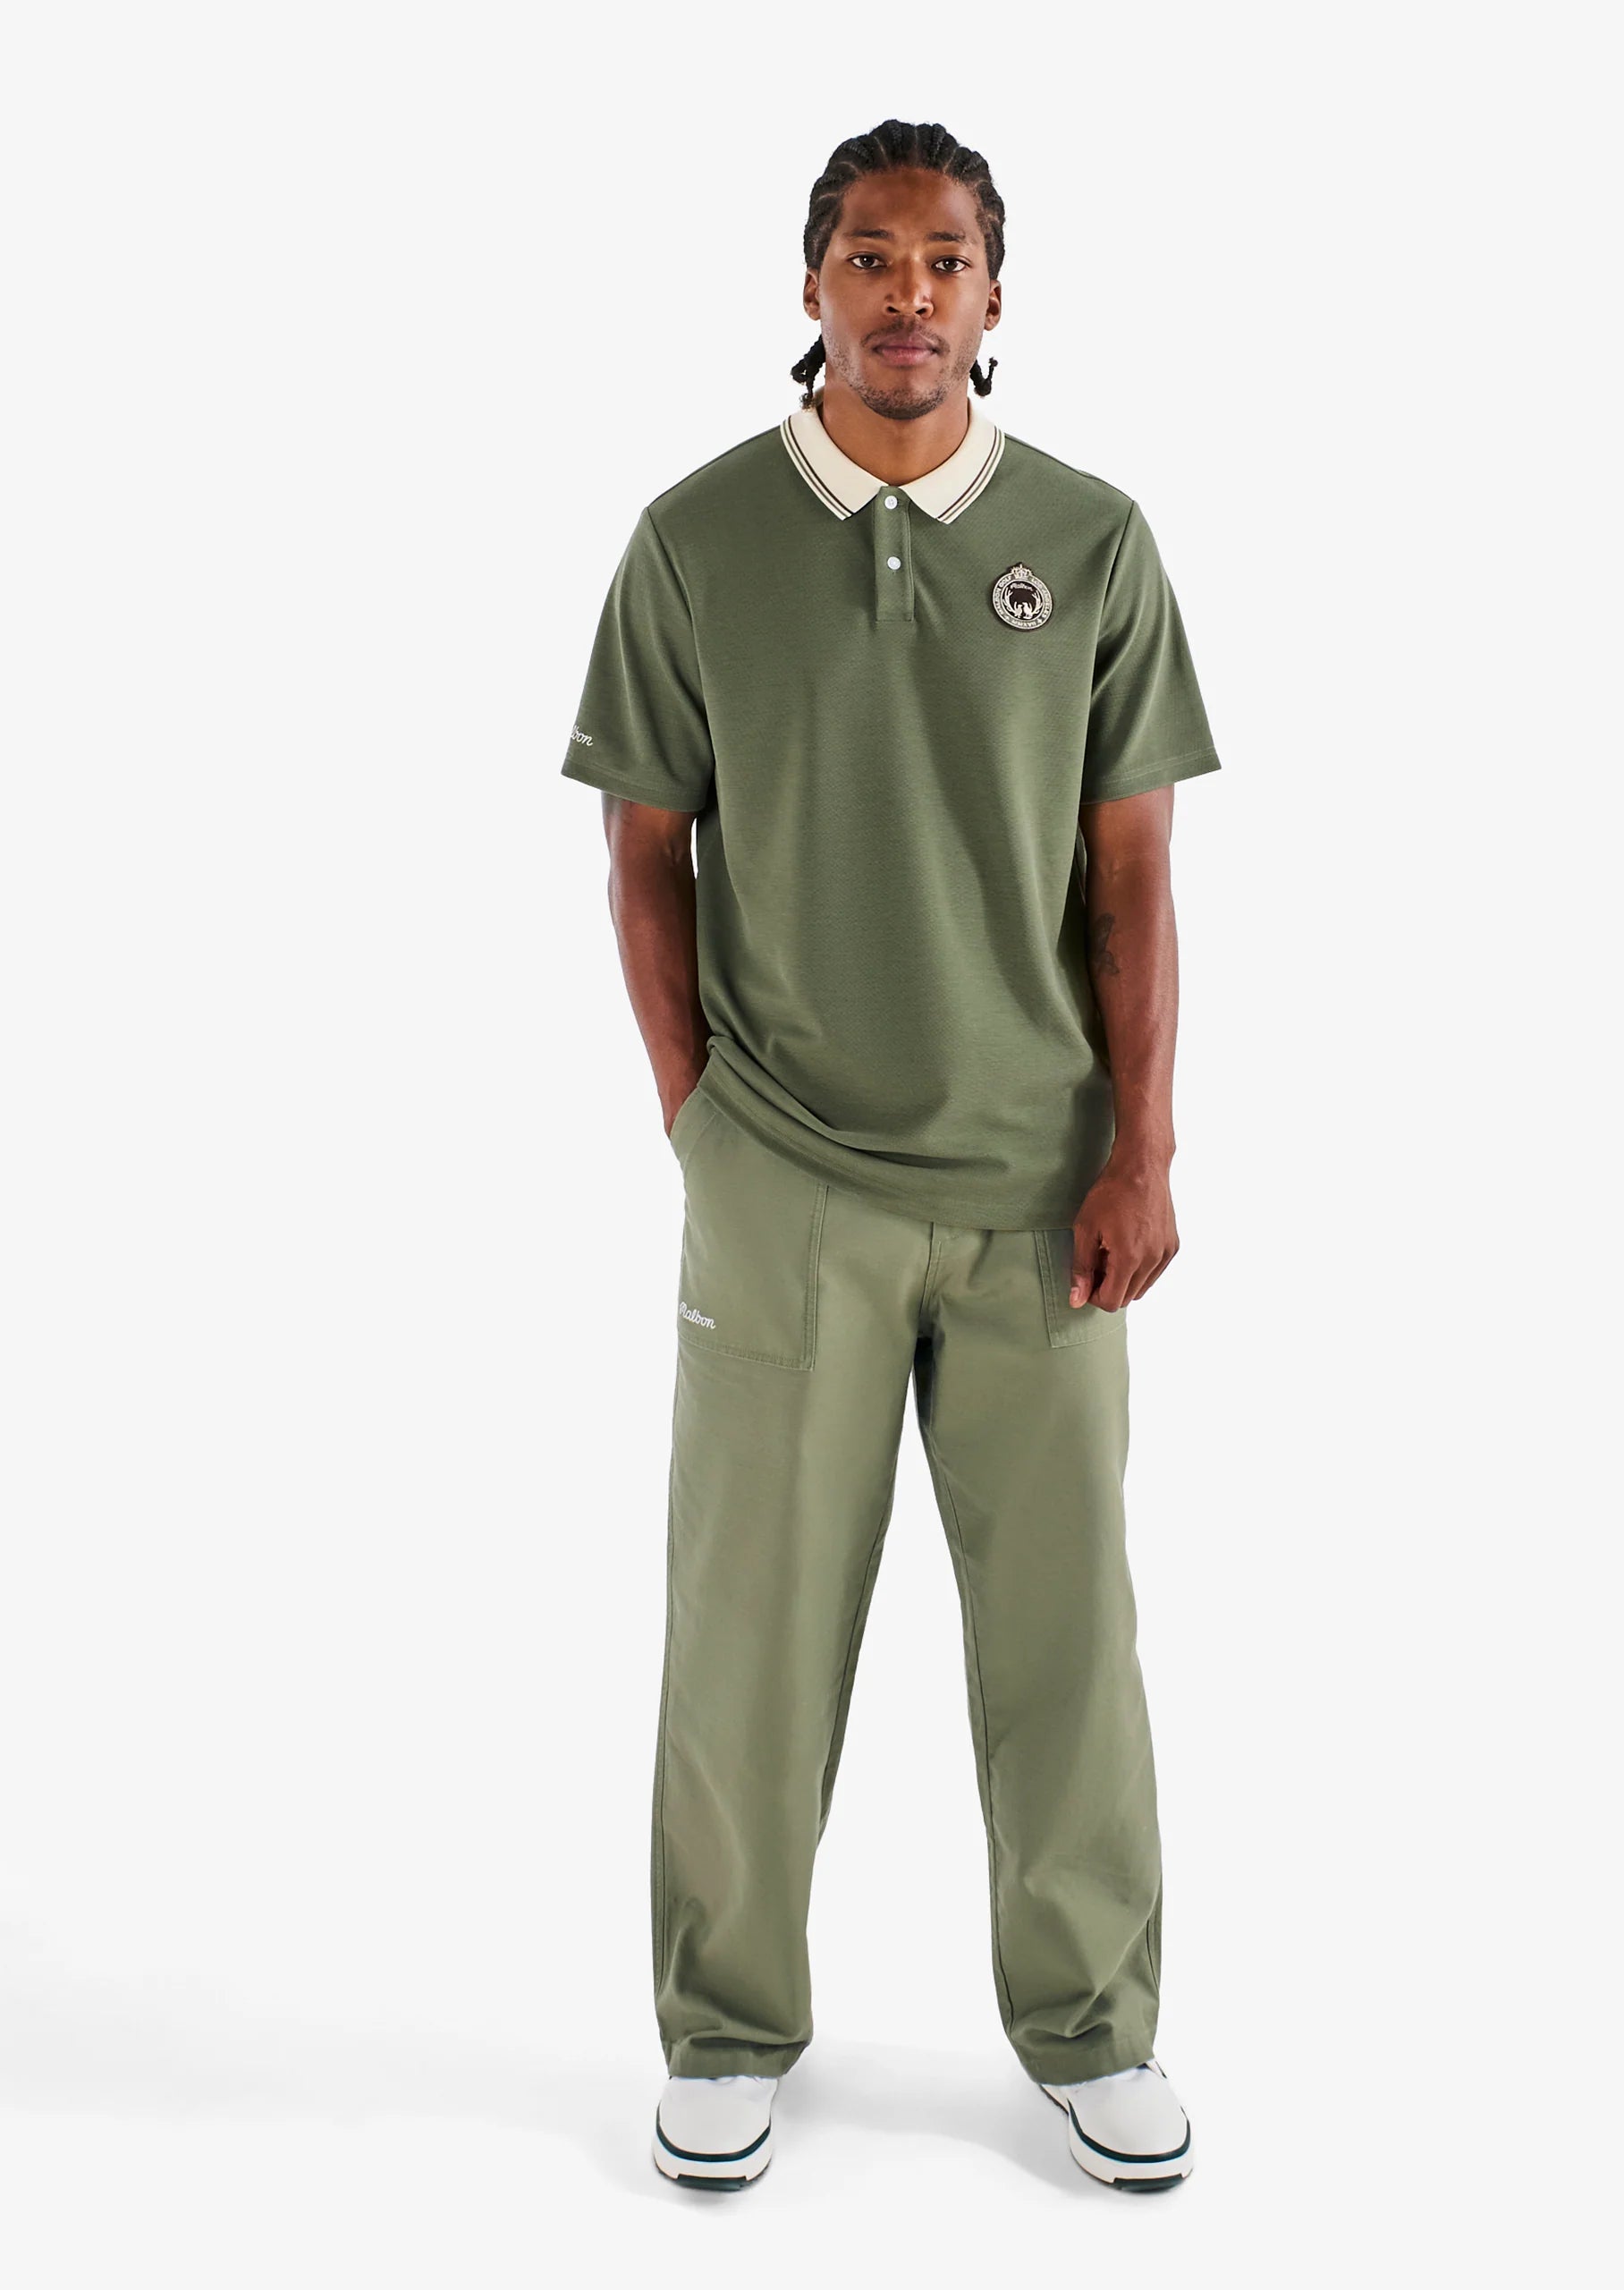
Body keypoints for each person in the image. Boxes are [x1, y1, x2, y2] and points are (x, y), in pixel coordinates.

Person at [560, 117, 1218, 2193]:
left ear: (994, 296)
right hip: (787, 1181)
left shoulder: (1093, 543)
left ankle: (1094, 2026)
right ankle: (724, 2024)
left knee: (1065, 1640)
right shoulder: (694, 541)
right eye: (869, 254)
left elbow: (1134, 878)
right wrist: (700, 1118)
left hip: (1044, 1190)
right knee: (747, 1629)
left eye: (944, 259)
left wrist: (1142, 1146)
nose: (907, 292)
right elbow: (643, 850)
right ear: (813, 285)